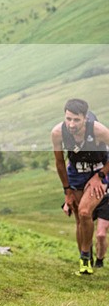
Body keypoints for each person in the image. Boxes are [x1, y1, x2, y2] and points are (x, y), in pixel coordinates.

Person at [51, 99, 109, 275]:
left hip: (99, 171)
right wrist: (67, 191)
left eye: (76, 120)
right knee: (79, 219)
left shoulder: (98, 130)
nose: (71, 124)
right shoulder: (57, 133)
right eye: (68, 119)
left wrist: (100, 176)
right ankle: (86, 260)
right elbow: (60, 163)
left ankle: (85, 256)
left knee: (85, 212)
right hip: (76, 173)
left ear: (85, 118)